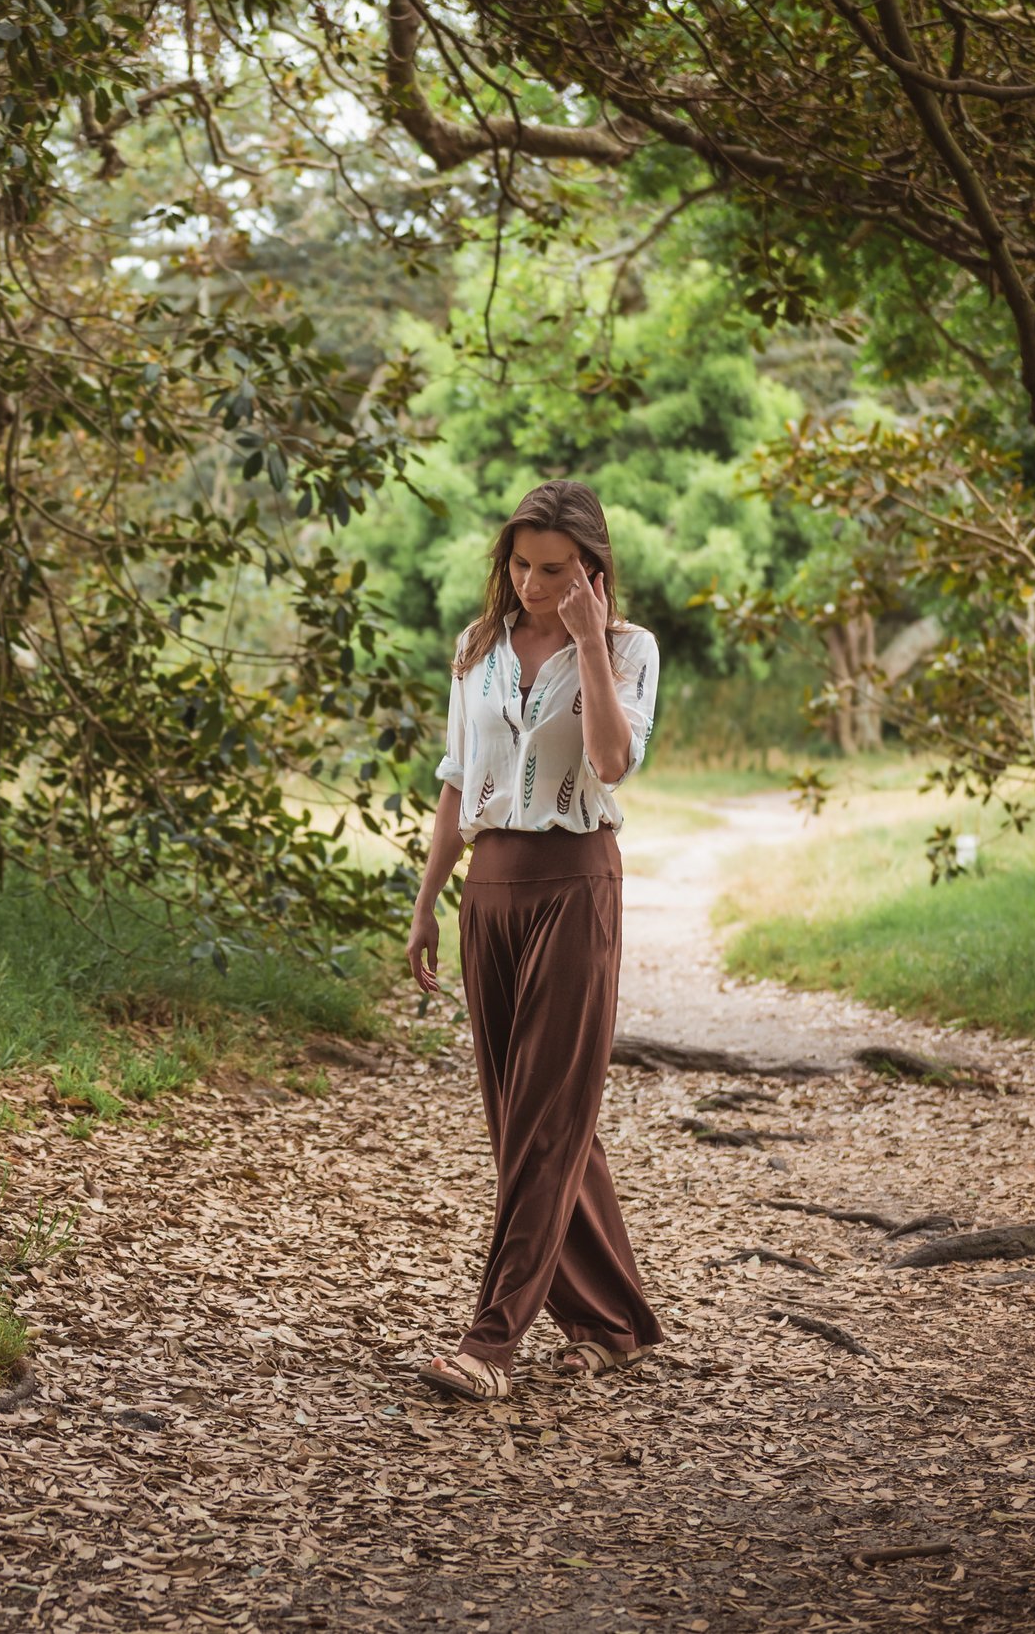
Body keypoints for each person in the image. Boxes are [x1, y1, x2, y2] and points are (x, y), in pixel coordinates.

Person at [403, 479, 667, 1402]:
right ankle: (616, 1321)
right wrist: (429, 897)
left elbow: (609, 758)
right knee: (528, 1117)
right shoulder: (477, 646)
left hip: (576, 883)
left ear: (592, 568)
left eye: (554, 569)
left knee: (549, 1119)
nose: (532, 583)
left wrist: (590, 641)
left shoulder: (629, 649)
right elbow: (453, 779)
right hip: (492, 890)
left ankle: (491, 1342)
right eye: (520, 563)